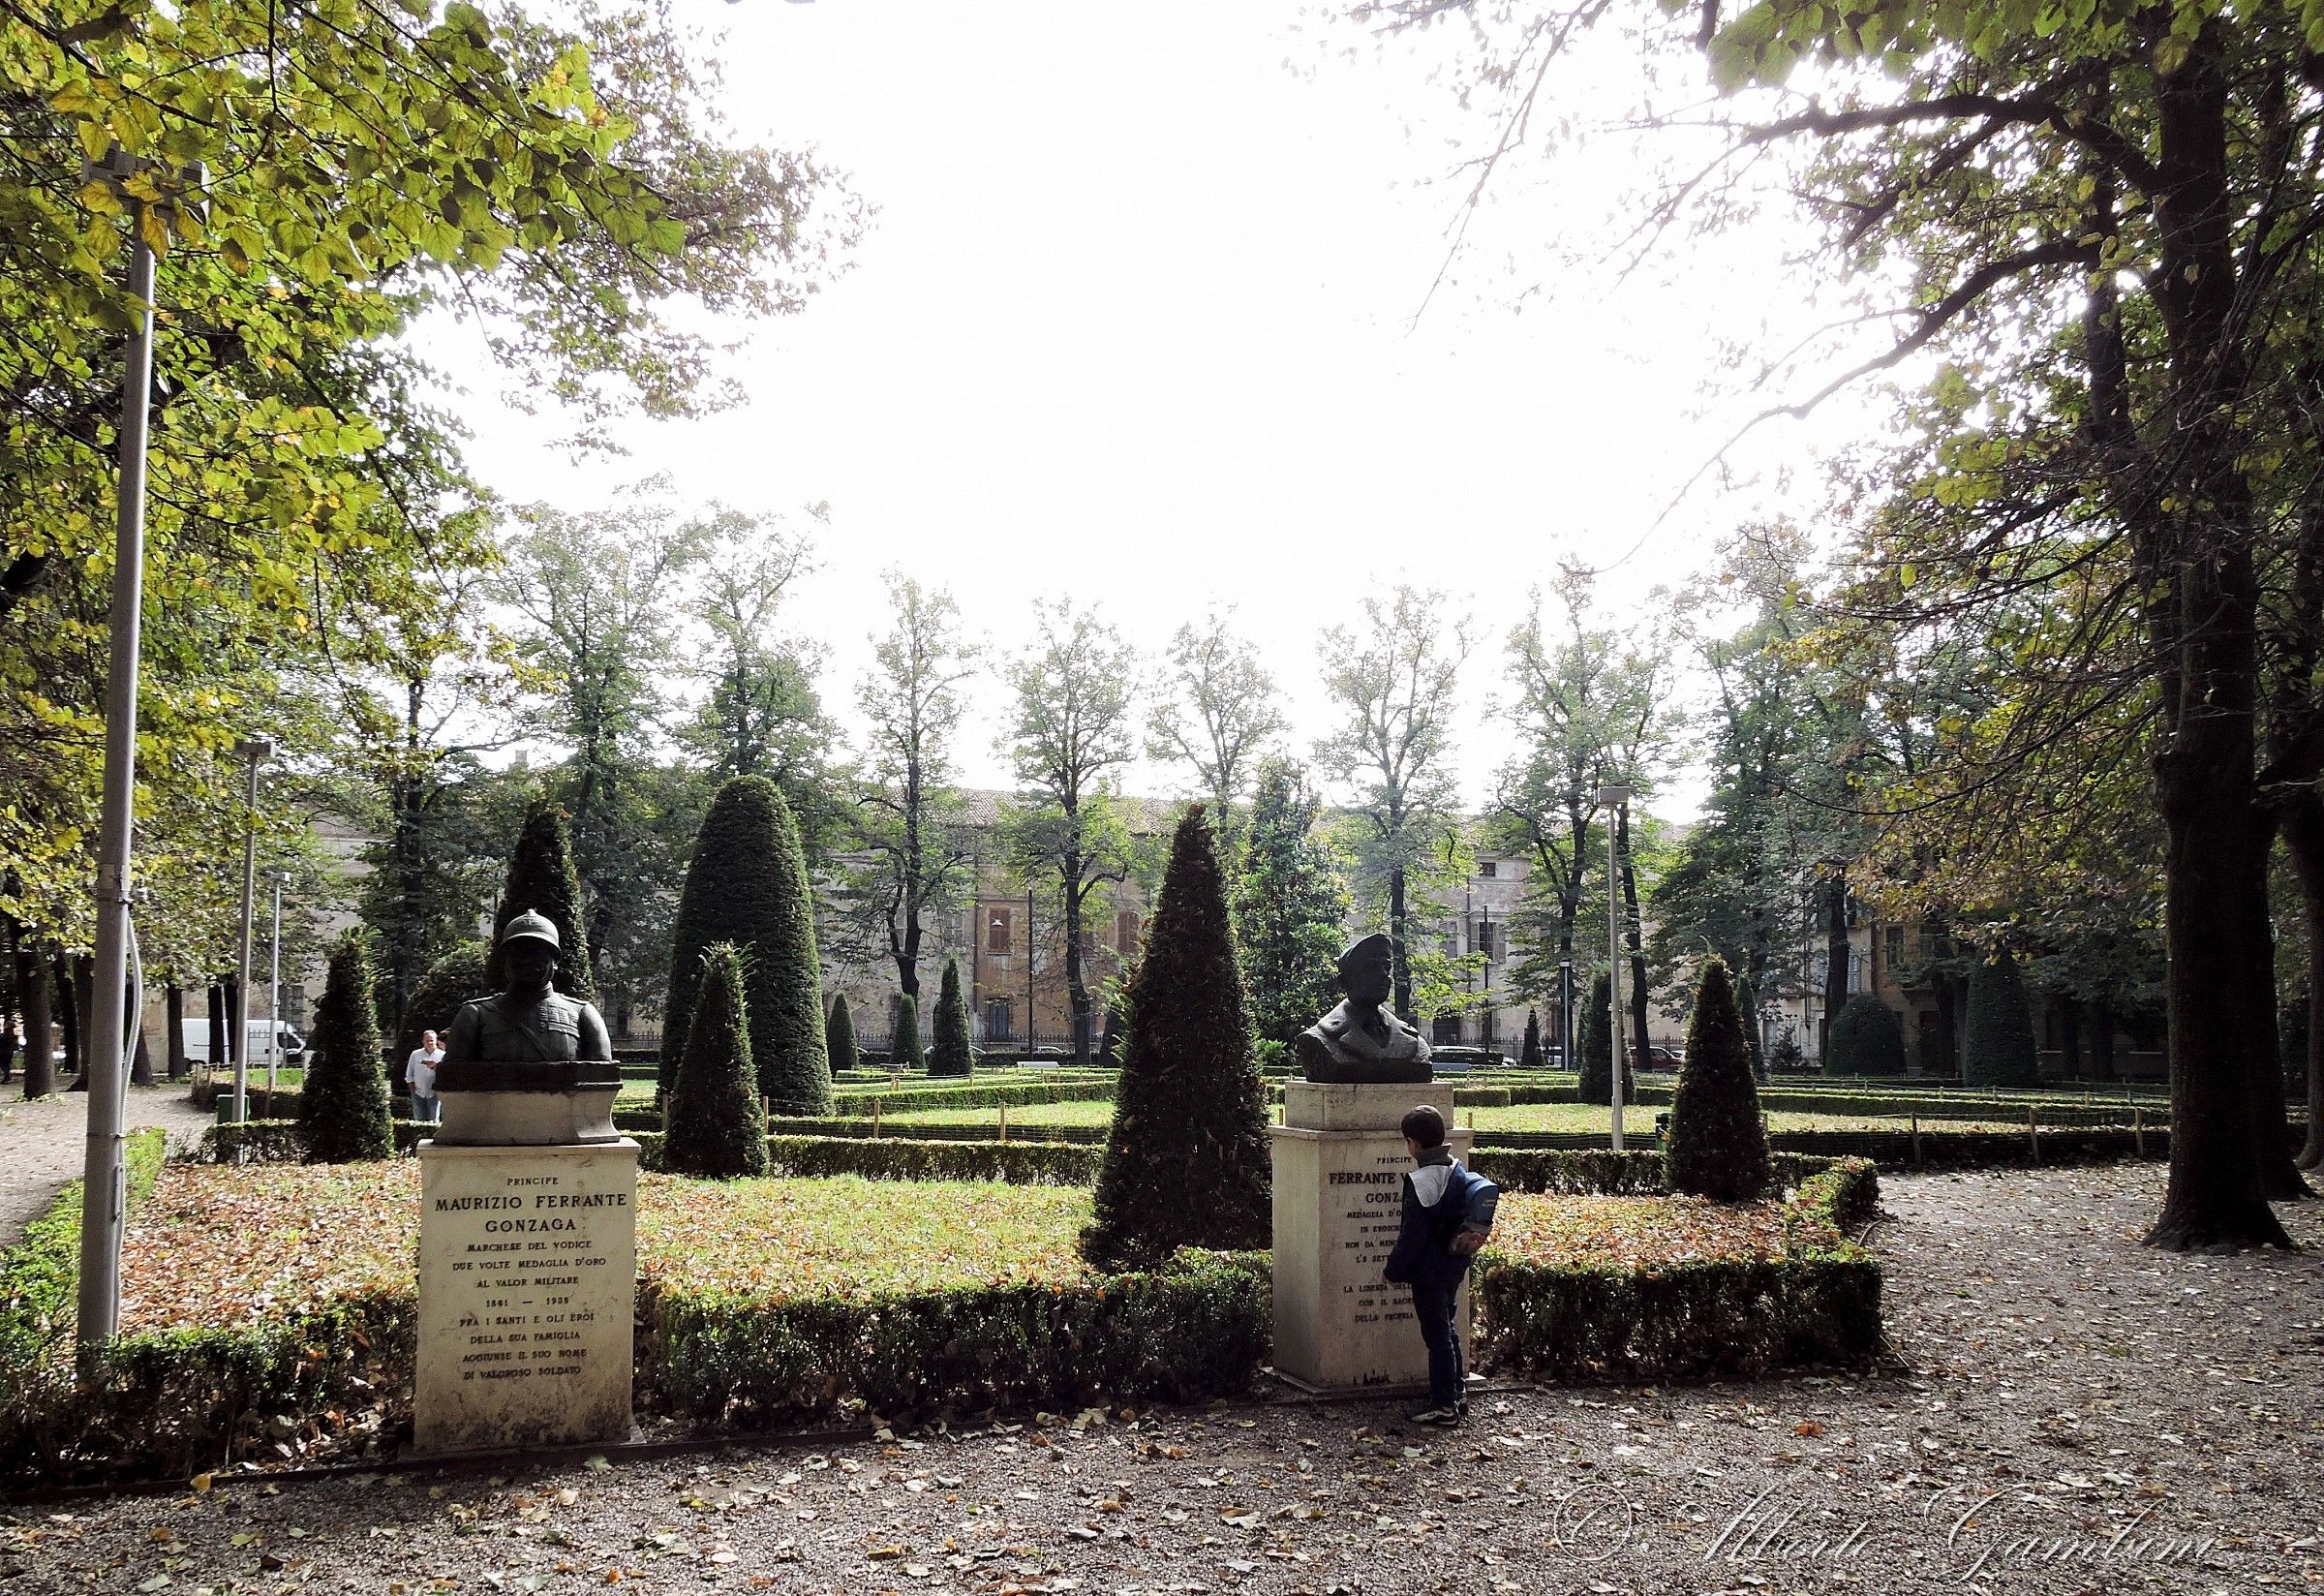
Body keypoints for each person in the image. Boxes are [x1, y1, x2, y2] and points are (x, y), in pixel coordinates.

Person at [1382, 1104, 1498, 1427]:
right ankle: (1457, 1393)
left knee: (1437, 1338)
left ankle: (1444, 1405)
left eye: (1408, 1141)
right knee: (1449, 1331)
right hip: (1452, 1266)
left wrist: (1393, 1270)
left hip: (1428, 1272)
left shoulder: (1422, 1181)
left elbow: (1412, 1236)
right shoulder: (1455, 1169)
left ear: (1414, 1144)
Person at [405, 1029, 444, 1123]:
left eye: (432, 1040)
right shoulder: (415, 1054)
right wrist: (412, 1091)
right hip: (418, 1093)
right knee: (418, 1121)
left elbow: (445, 1074)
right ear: (423, 1041)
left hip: (434, 1093)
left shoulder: (442, 1055)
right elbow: (409, 1073)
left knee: (434, 1121)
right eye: (427, 1040)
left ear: (436, 1041)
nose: (430, 1043)